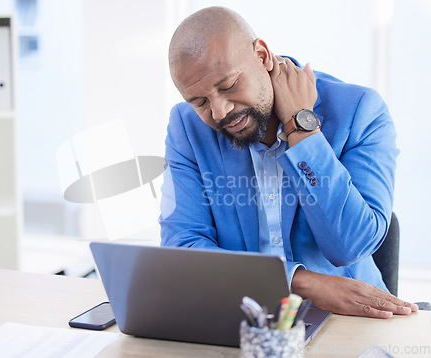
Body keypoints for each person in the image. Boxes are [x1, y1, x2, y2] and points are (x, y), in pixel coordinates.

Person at [159, 6, 418, 318]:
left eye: (227, 86)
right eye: (199, 101)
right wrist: (300, 282)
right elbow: (182, 251)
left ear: (262, 56)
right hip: (244, 316)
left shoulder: (360, 111)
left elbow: (352, 244)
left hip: (349, 318)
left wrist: (301, 128)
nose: (219, 111)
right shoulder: (187, 128)